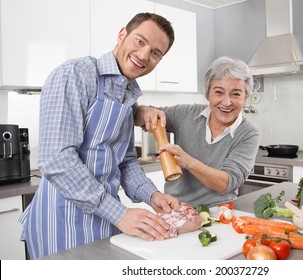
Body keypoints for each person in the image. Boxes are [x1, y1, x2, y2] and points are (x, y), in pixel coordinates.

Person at [19, 13, 181, 259]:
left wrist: (152, 194)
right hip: (61, 223)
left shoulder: (129, 95)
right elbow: (57, 159)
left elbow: (125, 161)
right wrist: (120, 214)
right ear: (122, 35)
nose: (144, 55)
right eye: (140, 41)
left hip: (105, 222)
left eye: (156, 52)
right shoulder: (75, 74)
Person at [135, 57, 261, 207]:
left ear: (245, 98)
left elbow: (226, 183)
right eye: (219, 92)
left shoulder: (249, 134)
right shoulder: (186, 114)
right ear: (207, 94)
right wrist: (146, 110)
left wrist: (188, 162)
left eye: (236, 94)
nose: (227, 102)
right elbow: (139, 116)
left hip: (220, 212)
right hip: (176, 207)